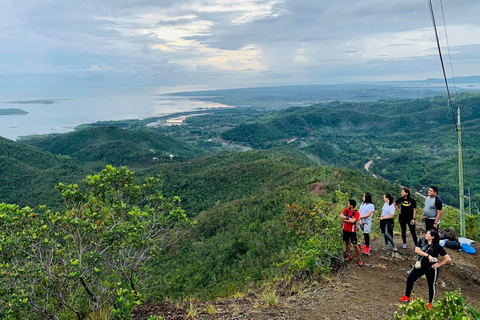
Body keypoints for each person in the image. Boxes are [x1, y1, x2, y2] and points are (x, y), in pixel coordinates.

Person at [399, 229, 451, 310]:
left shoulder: (437, 246)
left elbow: (448, 259)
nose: (425, 235)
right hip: (421, 266)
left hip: (431, 268)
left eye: (428, 234)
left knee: (431, 285)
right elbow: (417, 250)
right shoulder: (422, 241)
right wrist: (427, 255)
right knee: (410, 278)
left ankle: (431, 303)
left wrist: (438, 265)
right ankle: (407, 296)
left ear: (432, 237)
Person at [339, 199, 363, 267]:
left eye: (348, 203)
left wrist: (345, 219)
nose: (347, 205)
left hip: (352, 231)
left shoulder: (356, 213)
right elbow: (341, 216)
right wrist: (348, 219)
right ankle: (349, 255)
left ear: (351, 205)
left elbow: (353, 221)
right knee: (347, 242)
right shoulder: (346, 210)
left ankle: (359, 258)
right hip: (345, 229)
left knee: (355, 245)